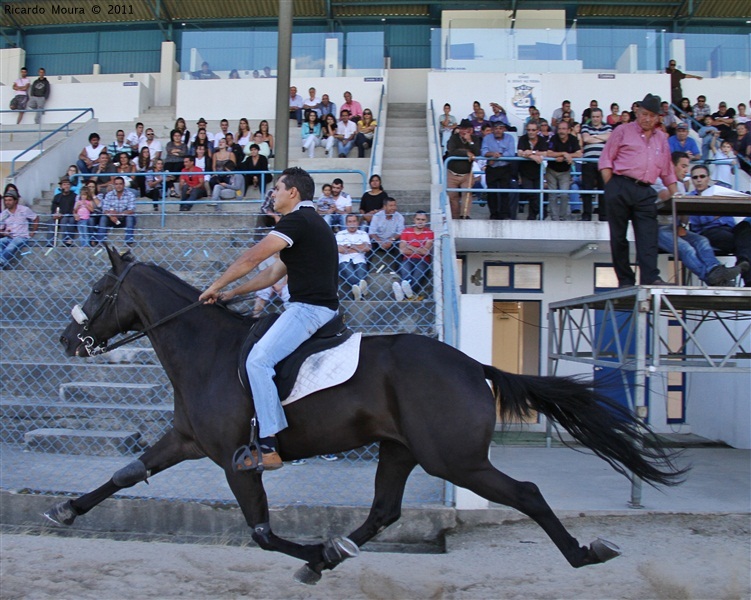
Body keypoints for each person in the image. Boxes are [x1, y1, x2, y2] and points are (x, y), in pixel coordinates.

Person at [199, 167, 339, 470]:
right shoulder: (311, 223)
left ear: (293, 192)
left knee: (257, 361)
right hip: (312, 309)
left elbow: (251, 258)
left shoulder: (297, 221)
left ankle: (269, 445)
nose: (272, 194)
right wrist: (232, 293)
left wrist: (215, 286)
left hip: (308, 310)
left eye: (277, 188)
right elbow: (273, 272)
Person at [599, 93, 677, 287]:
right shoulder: (623, 130)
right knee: (618, 236)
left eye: (651, 115)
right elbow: (606, 160)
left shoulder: (661, 139)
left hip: (645, 190)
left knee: (648, 237)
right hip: (620, 185)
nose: (647, 118)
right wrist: (612, 186)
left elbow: (667, 170)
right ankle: (625, 280)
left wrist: (676, 193)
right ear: (637, 112)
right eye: (644, 113)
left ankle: (650, 278)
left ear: (658, 117)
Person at [654, 152, 748, 287]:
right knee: (687, 248)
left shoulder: (681, 186)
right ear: (671, 166)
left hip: (675, 228)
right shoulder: (659, 181)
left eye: (687, 167)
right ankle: (714, 279)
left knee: (703, 241)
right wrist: (673, 185)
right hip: (658, 228)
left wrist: (683, 218)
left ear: (708, 178)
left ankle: (715, 270)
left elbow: (684, 217)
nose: (686, 170)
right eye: (683, 166)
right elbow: (665, 197)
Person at [687, 164, 751, 287]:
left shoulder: (720, 191)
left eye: (702, 176)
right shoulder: (689, 197)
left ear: (708, 178)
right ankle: (748, 278)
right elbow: (701, 220)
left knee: (745, 227)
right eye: (695, 177)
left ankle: (743, 262)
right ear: (692, 180)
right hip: (709, 231)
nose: (699, 180)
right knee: (745, 242)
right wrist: (720, 209)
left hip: (729, 228)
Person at [545, 120, 581, 221]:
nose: (561, 131)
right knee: (552, 195)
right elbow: (549, 153)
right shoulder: (554, 138)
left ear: (569, 130)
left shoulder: (573, 139)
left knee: (564, 195)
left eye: (564, 129)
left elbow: (579, 154)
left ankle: (563, 217)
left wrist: (566, 156)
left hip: (565, 171)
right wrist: (564, 153)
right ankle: (554, 218)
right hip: (551, 170)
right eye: (560, 129)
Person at [580, 108, 612, 221]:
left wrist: (593, 137)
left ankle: (603, 215)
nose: (595, 119)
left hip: (603, 163)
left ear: (601, 117)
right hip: (588, 162)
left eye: (597, 117)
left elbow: (609, 137)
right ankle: (587, 214)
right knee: (587, 190)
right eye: (593, 117)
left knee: (603, 189)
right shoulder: (585, 126)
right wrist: (601, 138)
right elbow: (586, 139)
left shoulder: (607, 127)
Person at [395, 211, 434, 301]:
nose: (420, 222)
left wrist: (411, 246)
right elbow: (402, 250)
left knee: (417, 276)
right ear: (414, 220)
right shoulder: (406, 231)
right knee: (406, 274)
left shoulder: (429, 232)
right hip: (407, 259)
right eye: (418, 219)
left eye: (423, 220)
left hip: (423, 261)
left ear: (426, 220)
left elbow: (426, 252)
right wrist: (419, 249)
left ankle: (402, 294)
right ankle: (409, 295)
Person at [481, 121, 517, 220]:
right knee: (491, 192)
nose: (498, 130)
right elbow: (483, 151)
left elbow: (511, 153)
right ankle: (493, 214)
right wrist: (492, 154)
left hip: (505, 168)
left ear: (504, 129)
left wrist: (498, 156)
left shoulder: (510, 138)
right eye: (496, 128)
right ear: (492, 129)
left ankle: (504, 214)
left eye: (500, 128)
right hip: (491, 168)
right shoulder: (487, 138)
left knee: (504, 192)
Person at [445, 119, 479, 219]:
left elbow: (477, 152)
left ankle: (465, 216)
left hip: (467, 173)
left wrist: (470, 142)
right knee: (452, 196)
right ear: (459, 129)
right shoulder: (454, 138)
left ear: (471, 130)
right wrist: (466, 153)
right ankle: (455, 218)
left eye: (467, 129)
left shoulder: (475, 139)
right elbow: (452, 151)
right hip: (452, 173)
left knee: (467, 194)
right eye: (462, 129)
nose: (464, 131)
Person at [0, 189, 39, 270]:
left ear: (15, 201)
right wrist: (5, 232)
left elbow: (35, 218)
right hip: (9, 237)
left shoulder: (24, 210)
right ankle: (3, 263)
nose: (7, 202)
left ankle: (2, 261)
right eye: (6, 200)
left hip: (22, 237)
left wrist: (33, 231)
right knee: (1, 242)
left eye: (10, 200)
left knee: (11, 246)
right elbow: (1, 229)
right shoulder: (4, 214)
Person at [336, 214, 370, 300]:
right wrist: (358, 247)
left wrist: (349, 246)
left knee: (361, 275)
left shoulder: (363, 233)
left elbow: (367, 248)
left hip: (359, 259)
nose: (352, 224)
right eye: (350, 221)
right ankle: (361, 290)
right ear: (346, 223)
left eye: (354, 221)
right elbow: (338, 249)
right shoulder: (340, 234)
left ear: (357, 223)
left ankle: (358, 293)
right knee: (350, 274)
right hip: (344, 260)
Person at [516, 121, 546, 220]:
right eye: (528, 130)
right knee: (530, 193)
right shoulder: (523, 139)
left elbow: (545, 153)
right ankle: (540, 210)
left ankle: (532, 216)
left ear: (537, 130)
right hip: (525, 172)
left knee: (537, 194)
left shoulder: (542, 140)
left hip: (538, 172)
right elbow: (520, 153)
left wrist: (531, 152)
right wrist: (534, 157)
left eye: (533, 130)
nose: (530, 132)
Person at [95, 176, 136, 247]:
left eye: (120, 184)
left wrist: (118, 214)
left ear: (123, 185)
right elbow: (105, 209)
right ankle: (100, 241)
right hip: (112, 219)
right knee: (103, 218)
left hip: (124, 219)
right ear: (114, 185)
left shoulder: (130, 195)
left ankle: (129, 241)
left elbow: (131, 210)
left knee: (130, 217)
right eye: (116, 184)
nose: (118, 186)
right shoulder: (109, 195)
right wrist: (111, 216)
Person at [369, 197, 405, 270]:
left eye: (394, 205)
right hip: (377, 241)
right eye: (391, 206)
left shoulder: (399, 217)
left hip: (392, 241)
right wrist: (380, 242)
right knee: (368, 246)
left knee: (400, 246)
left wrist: (391, 240)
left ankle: (398, 272)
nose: (393, 208)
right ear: (385, 207)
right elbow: (372, 233)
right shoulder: (377, 216)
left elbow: (401, 232)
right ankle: (366, 272)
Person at [48, 176, 77, 247]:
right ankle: (50, 243)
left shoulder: (75, 196)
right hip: (59, 215)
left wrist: (63, 214)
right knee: (51, 220)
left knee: (65, 220)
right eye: (64, 184)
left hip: (70, 216)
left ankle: (66, 241)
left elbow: (74, 209)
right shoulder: (57, 197)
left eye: (68, 184)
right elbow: (53, 208)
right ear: (61, 187)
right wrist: (55, 214)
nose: (66, 186)